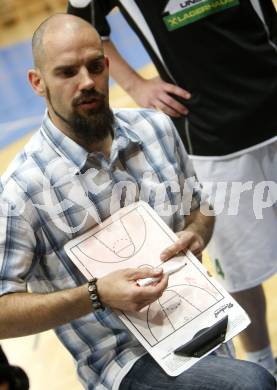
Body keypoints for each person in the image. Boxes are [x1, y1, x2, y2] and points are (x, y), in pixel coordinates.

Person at [0, 13, 275, 390]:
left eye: (95, 67)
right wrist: (96, 295)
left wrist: (195, 232)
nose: (87, 83)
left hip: (199, 319)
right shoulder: (21, 189)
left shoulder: (156, 128)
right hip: (124, 361)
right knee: (253, 384)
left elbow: (202, 207)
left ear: (107, 66)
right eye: (67, 73)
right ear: (37, 83)